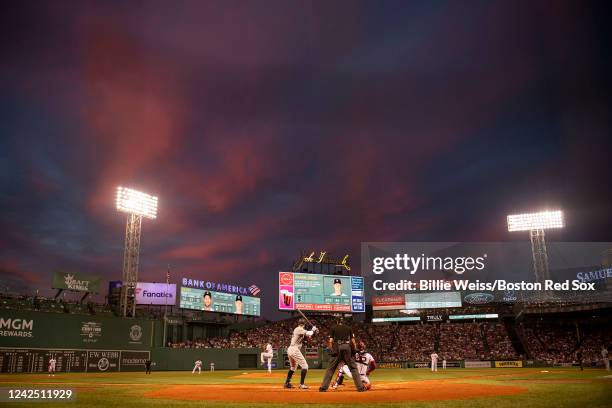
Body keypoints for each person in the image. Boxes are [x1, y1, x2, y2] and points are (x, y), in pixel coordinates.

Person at [319, 317, 365, 392]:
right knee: (353, 368)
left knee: (331, 369)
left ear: (337, 322)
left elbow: (330, 341)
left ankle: (324, 387)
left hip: (338, 347)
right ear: (343, 322)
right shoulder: (348, 328)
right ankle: (360, 388)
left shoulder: (333, 328)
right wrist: (354, 349)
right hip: (347, 347)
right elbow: (353, 341)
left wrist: (331, 349)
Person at [284, 318, 317, 389]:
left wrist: (315, 332)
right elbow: (309, 333)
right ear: (304, 324)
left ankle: (287, 383)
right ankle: (301, 384)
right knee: (305, 366)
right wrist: (313, 330)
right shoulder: (299, 329)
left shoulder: (299, 330)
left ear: (299, 323)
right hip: (294, 349)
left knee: (293, 367)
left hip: (291, 349)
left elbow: (309, 337)